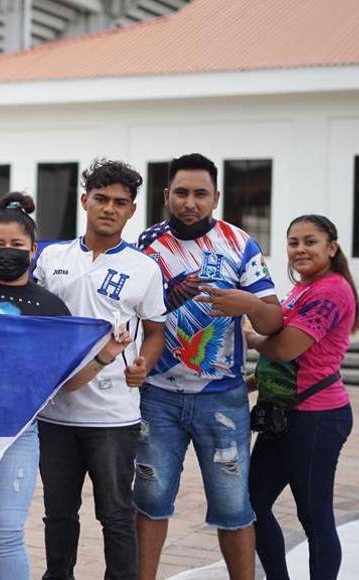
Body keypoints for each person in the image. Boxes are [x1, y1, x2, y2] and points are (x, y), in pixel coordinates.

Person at [0, 192, 132, 580]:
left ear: (33, 250)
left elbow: (67, 383)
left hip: (18, 434)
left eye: (17, 245)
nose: (7, 251)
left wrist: (106, 355)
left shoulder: (50, 309)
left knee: (5, 532)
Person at [133, 153, 283, 580]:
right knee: (150, 501)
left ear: (216, 197)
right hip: (157, 396)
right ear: (166, 195)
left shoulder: (239, 243)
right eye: (181, 193)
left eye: (200, 194)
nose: (190, 202)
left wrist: (248, 303)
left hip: (222, 399)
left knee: (234, 508)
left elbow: (273, 321)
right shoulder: (147, 245)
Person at [32, 159, 167, 580]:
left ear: (132, 210)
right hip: (56, 411)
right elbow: (35, 324)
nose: (109, 208)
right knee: (58, 513)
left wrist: (145, 364)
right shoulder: (52, 257)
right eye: (101, 198)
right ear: (84, 200)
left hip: (113, 414)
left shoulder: (144, 268)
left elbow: (156, 331)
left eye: (120, 202)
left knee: (115, 512)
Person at [245, 215, 359, 580]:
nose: (300, 249)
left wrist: (251, 334)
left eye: (310, 242)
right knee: (252, 504)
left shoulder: (332, 290)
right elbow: (287, 362)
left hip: (316, 418)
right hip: (283, 413)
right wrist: (249, 383)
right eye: (293, 242)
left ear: (331, 247)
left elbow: (285, 349)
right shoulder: (302, 288)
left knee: (314, 517)